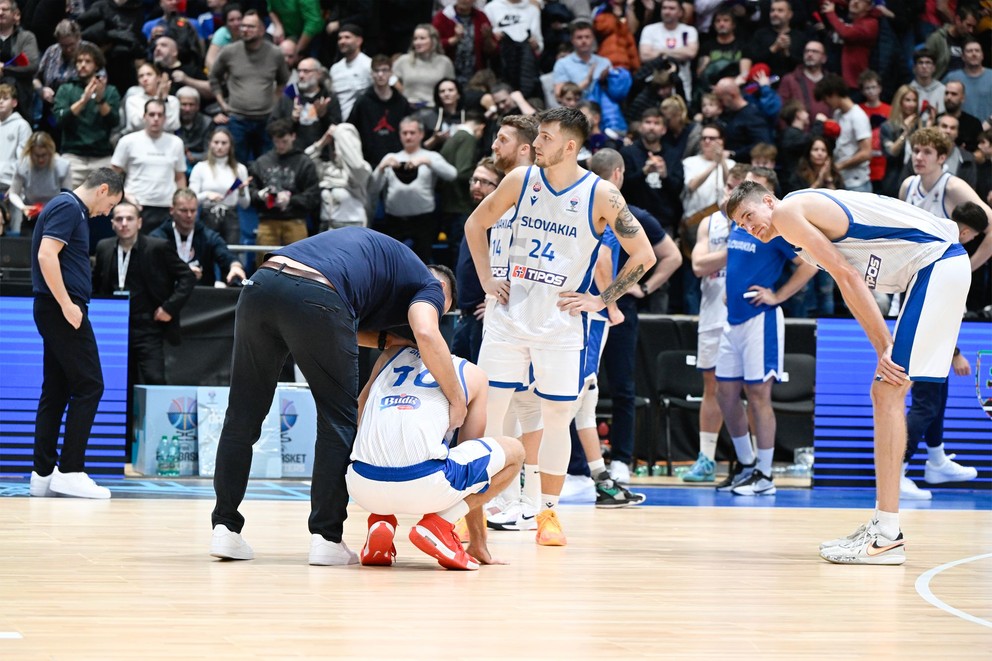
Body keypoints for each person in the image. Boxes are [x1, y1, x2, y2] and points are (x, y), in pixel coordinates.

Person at [726, 181, 971, 565]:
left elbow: (847, 276)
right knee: (886, 391)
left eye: (748, 216)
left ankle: (887, 535)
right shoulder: (800, 236)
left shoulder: (790, 213)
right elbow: (848, 285)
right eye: (740, 226)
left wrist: (883, 346)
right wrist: (883, 344)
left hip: (936, 263)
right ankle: (883, 525)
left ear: (768, 201)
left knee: (888, 390)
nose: (748, 227)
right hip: (932, 269)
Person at [209, 228, 466, 565]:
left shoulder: (385, 268)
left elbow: (342, 326)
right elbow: (426, 332)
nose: (437, 312)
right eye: (441, 309)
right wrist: (457, 400)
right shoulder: (430, 286)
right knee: (338, 421)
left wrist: (389, 341)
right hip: (318, 293)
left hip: (262, 283)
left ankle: (224, 529)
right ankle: (326, 538)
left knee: (242, 415)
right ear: (442, 293)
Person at [463, 107, 656, 546]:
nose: (537, 145)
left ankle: (548, 514)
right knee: (491, 414)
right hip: (509, 318)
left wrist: (602, 300)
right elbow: (477, 224)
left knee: (555, 418)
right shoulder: (520, 180)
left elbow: (644, 255)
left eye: (546, 138)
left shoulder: (602, 194)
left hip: (561, 324)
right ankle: (483, 506)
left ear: (570, 146)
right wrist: (488, 281)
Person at [347, 343, 525, 570]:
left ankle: (380, 520)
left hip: (362, 487)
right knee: (514, 451)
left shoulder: (390, 354)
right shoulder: (474, 374)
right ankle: (440, 524)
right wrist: (478, 541)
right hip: (425, 486)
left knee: (388, 438)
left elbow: (360, 411)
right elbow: (473, 457)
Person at [714, 166, 817, 495]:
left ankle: (765, 474)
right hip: (733, 319)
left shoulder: (778, 230)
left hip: (762, 319)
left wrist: (778, 295)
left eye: (747, 213)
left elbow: (811, 264)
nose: (745, 221)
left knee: (759, 396)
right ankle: (746, 466)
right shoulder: (742, 226)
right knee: (725, 393)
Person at [28, 167, 123, 500]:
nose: (107, 212)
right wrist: (67, 304)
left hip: (54, 308)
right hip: (60, 308)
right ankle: (70, 470)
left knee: (56, 390)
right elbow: (46, 254)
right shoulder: (69, 207)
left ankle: (42, 474)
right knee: (90, 384)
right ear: (102, 190)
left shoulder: (70, 208)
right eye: (111, 204)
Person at [899, 202, 987, 500]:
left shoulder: (935, 239)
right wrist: (956, 353)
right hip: (926, 336)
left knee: (936, 400)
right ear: (965, 231)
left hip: (927, 335)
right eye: (973, 236)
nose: (972, 241)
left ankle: (936, 461)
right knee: (925, 405)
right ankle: (896, 471)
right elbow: (939, 310)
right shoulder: (951, 252)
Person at [682, 163, 749, 482]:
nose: (730, 192)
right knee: (712, 386)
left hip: (747, 315)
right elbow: (697, 264)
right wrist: (735, 250)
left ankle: (749, 462)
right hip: (711, 314)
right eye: (728, 186)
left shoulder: (757, 223)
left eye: (738, 187)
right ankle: (706, 459)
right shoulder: (710, 222)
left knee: (749, 390)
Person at [899, 127, 992, 271]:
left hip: (940, 275)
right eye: (916, 150)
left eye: (927, 152)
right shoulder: (908, 185)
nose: (918, 157)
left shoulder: (953, 187)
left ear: (942, 158)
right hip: (909, 271)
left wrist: (967, 268)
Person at [369, 115, 457, 262]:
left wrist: (427, 162)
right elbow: (372, 188)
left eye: (412, 132)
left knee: (422, 262)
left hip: (424, 221)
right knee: (393, 262)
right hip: (394, 221)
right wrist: (381, 168)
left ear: (421, 134)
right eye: (404, 133)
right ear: (399, 135)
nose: (408, 136)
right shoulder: (391, 157)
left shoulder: (430, 156)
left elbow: (452, 175)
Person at [208, 10, 290, 164]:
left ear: (261, 29)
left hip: (266, 120)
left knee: (266, 164)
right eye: (243, 26)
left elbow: (283, 81)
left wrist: (275, 102)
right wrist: (222, 103)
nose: (245, 30)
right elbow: (214, 77)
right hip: (237, 119)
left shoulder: (275, 53)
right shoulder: (229, 51)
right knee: (237, 165)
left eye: (250, 27)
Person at [111, 98, 188, 233]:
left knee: (165, 251)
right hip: (137, 204)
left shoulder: (176, 143)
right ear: (144, 116)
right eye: (152, 114)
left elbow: (180, 177)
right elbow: (113, 174)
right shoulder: (128, 141)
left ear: (165, 118)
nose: (156, 118)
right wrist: (125, 195)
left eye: (160, 115)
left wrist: (181, 204)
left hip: (167, 206)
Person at [52, 43, 121, 188]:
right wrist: (83, 100)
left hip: (101, 156)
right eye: (79, 61)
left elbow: (114, 121)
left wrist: (100, 100)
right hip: (73, 156)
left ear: (97, 65)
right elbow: (60, 120)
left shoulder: (109, 91)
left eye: (87, 61)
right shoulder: (66, 89)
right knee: (70, 203)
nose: (82, 65)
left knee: (103, 205)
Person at [149, 188, 247, 287]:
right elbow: (153, 269)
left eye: (193, 210)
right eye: (183, 210)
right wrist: (183, 272)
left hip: (202, 295)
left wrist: (235, 266)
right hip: (168, 295)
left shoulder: (206, 236)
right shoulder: (158, 238)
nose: (189, 215)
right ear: (172, 210)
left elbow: (225, 254)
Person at [248, 118, 320, 247]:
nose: (280, 145)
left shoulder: (304, 162)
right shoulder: (262, 162)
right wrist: (261, 196)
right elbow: (251, 192)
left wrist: (290, 200)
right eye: (277, 141)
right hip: (267, 220)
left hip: (295, 220)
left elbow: (313, 196)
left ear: (293, 136)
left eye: (284, 141)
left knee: (298, 262)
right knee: (265, 262)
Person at [188, 127, 250, 245]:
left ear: (230, 145)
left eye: (224, 143)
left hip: (231, 217)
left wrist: (241, 191)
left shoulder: (240, 169)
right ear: (210, 144)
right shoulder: (200, 168)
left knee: (232, 254)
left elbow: (245, 204)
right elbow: (191, 199)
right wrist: (206, 195)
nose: (220, 146)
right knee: (206, 255)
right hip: (208, 215)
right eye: (216, 142)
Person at [7, 131, 72, 236]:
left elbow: (68, 196)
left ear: (50, 152)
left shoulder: (62, 166)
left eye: (44, 155)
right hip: (30, 213)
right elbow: (13, 193)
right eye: (36, 155)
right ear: (30, 152)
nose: (40, 159)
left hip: (55, 215)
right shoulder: (22, 165)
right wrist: (22, 207)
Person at [392, 24, 455, 110]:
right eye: (415, 39)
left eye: (422, 38)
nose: (417, 42)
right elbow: (390, 79)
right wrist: (402, 92)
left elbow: (451, 87)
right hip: (408, 108)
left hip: (434, 109)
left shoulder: (444, 62)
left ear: (433, 40)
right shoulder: (404, 60)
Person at [121, 62, 180, 135]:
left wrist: (164, 100)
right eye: (141, 76)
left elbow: (173, 125)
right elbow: (136, 125)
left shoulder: (172, 100)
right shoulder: (132, 100)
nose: (145, 79)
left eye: (149, 74)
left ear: (158, 78)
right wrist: (159, 99)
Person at [329, 24, 372, 122]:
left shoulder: (368, 64)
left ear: (359, 41)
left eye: (347, 37)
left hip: (363, 121)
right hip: (338, 121)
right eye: (340, 38)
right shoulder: (335, 69)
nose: (342, 41)